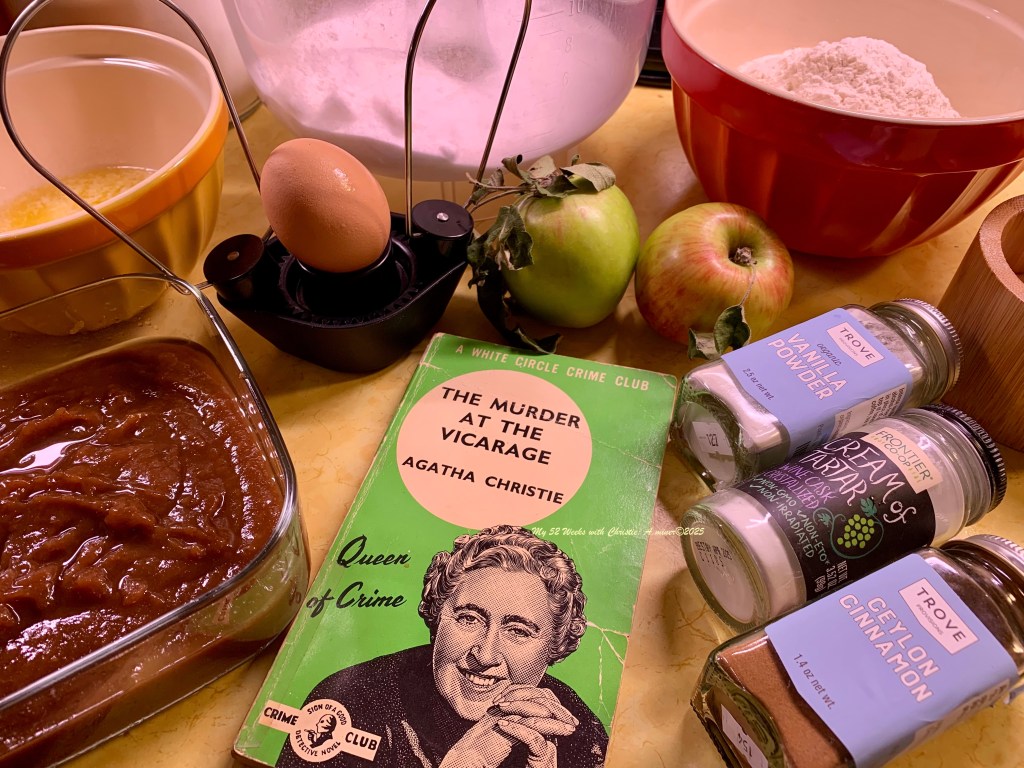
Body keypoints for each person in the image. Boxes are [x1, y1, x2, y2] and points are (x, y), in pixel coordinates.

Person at [276, 525, 608, 767]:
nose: (485, 655)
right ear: (437, 617)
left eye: (518, 631)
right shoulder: (351, 701)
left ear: (555, 645)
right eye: (469, 619)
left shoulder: (581, 736)